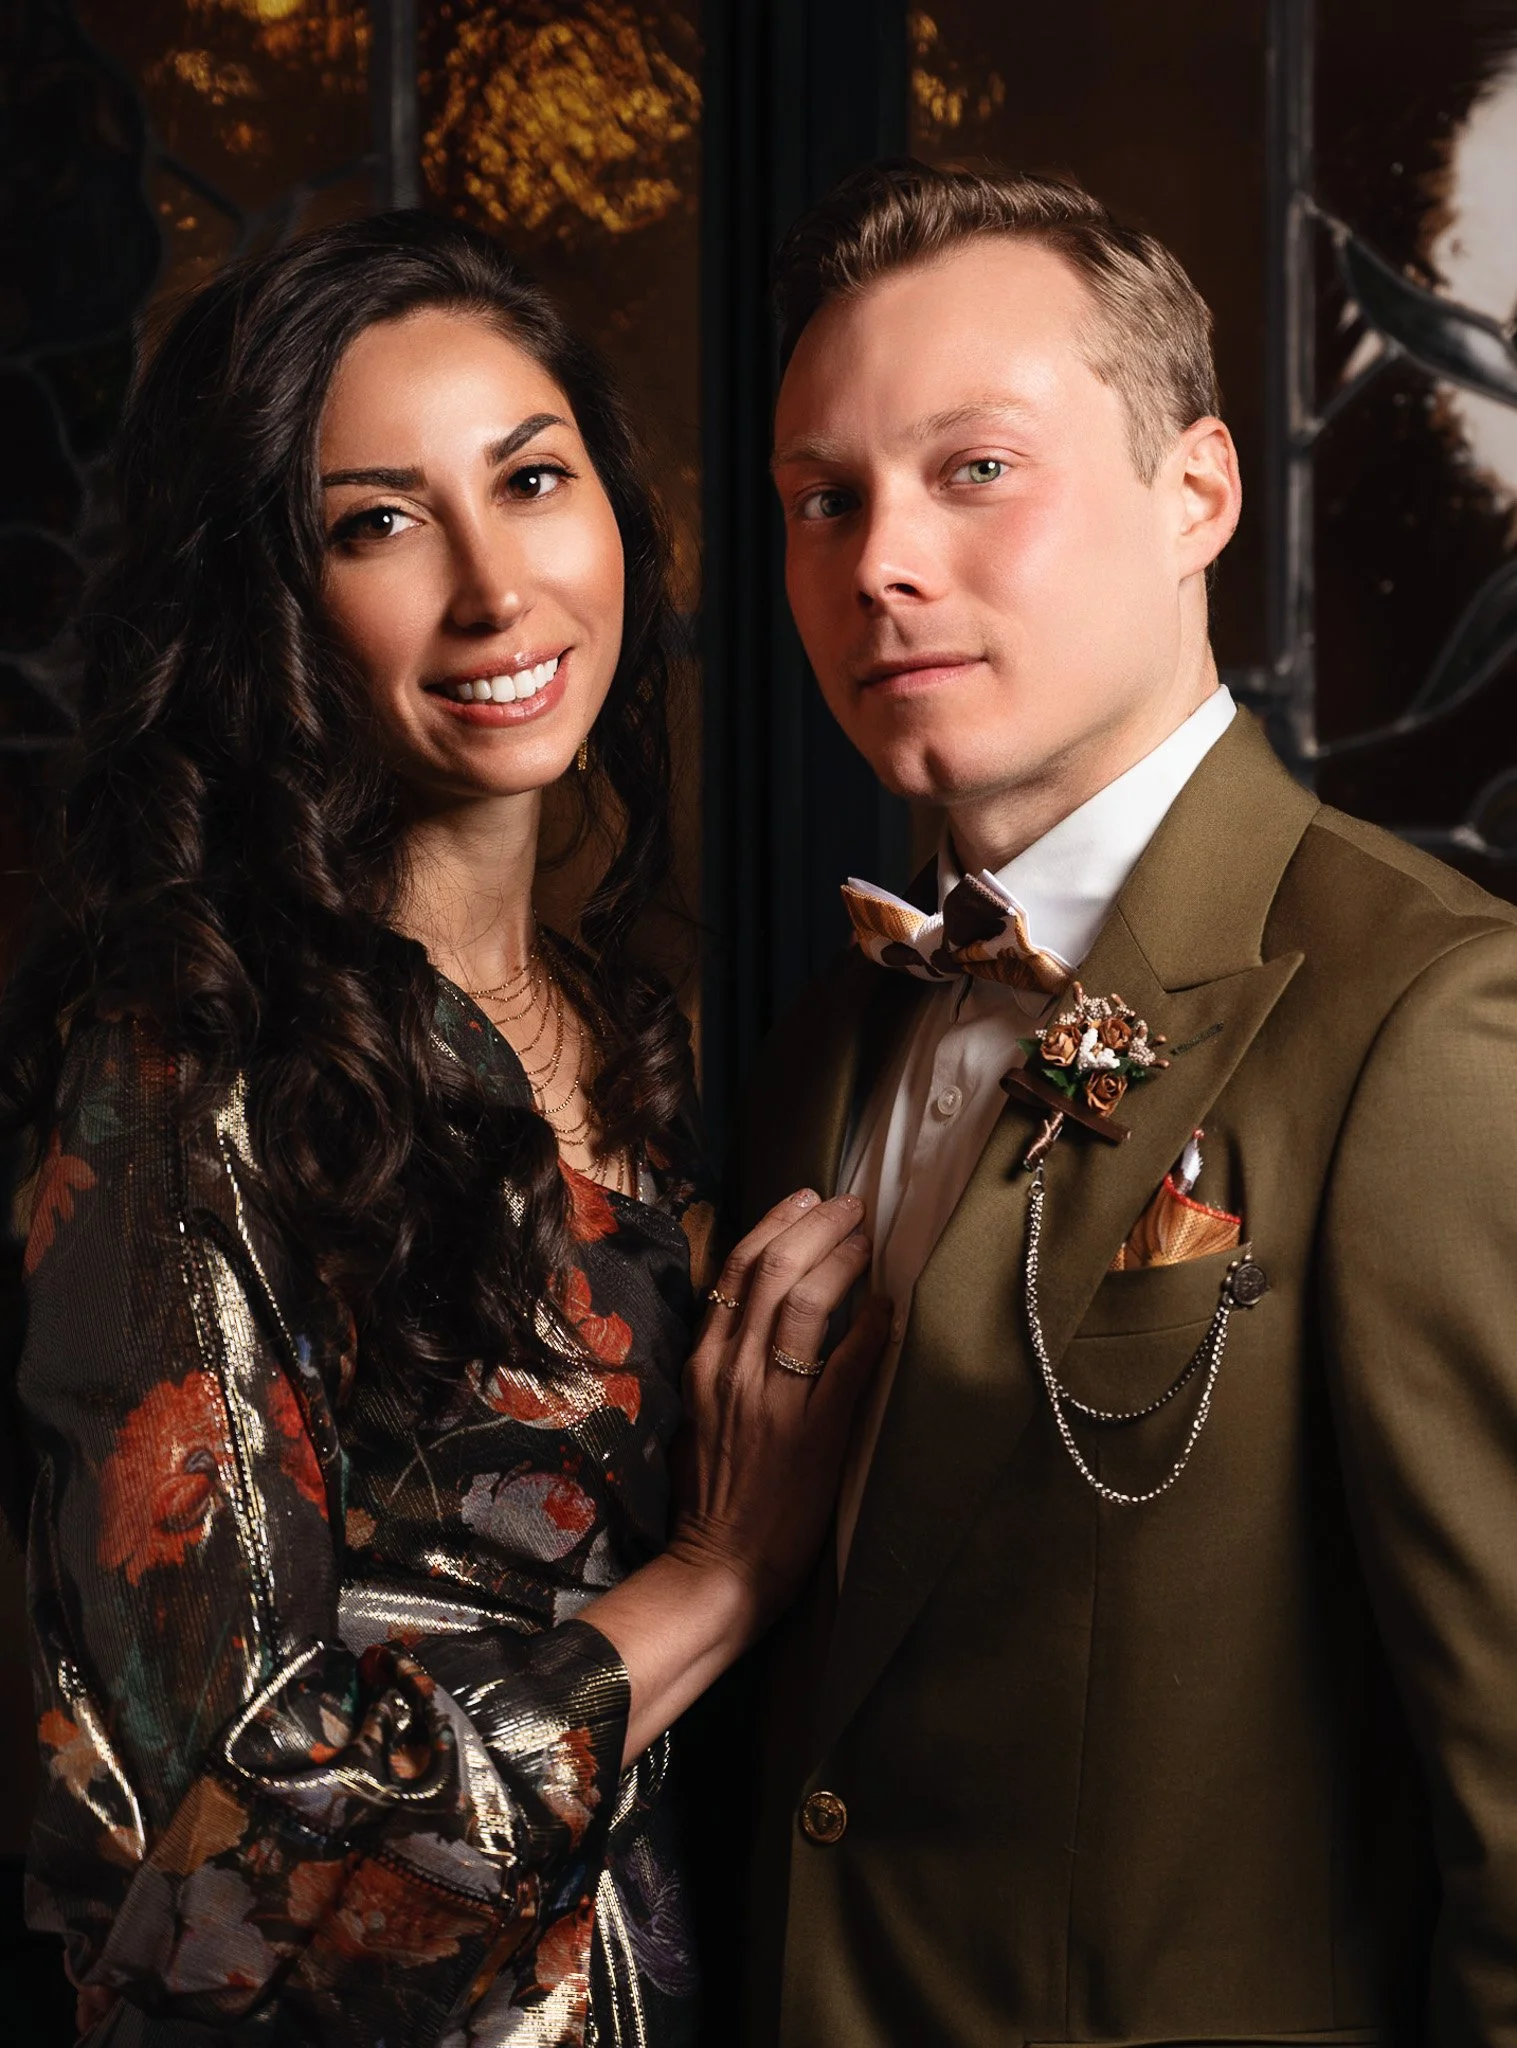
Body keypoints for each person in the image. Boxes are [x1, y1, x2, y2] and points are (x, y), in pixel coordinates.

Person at [0, 213, 887, 2048]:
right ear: (262, 596)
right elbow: (227, 1866)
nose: (498, 590)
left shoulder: (650, 1043)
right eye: (379, 522)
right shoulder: (185, 1071)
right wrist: (717, 1579)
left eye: (534, 479)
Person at [731, 159, 1517, 2045]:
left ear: (1200, 494)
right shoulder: (827, 1035)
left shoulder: (1431, 1015)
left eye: (973, 470)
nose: (880, 561)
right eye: (823, 501)